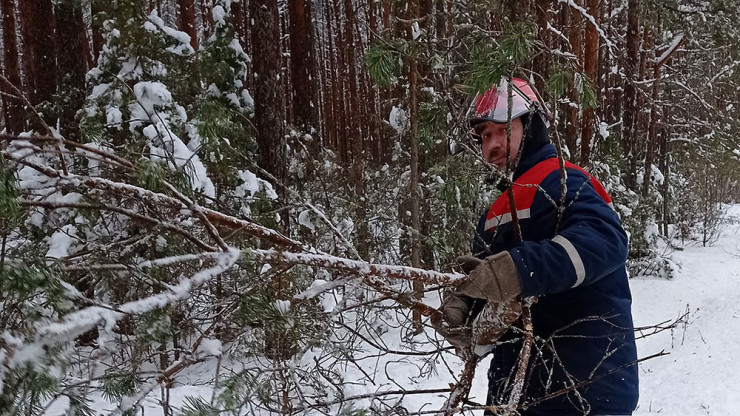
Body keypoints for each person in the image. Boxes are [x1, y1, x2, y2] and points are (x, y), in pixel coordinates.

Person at [438, 77, 639, 415]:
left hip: (583, 388)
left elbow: (606, 242)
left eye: (500, 130)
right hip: (513, 394)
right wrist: (465, 307)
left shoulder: (565, 180)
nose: (491, 146)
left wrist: (518, 269)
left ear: (529, 124)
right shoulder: (494, 211)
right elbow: (498, 291)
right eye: (484, 136)